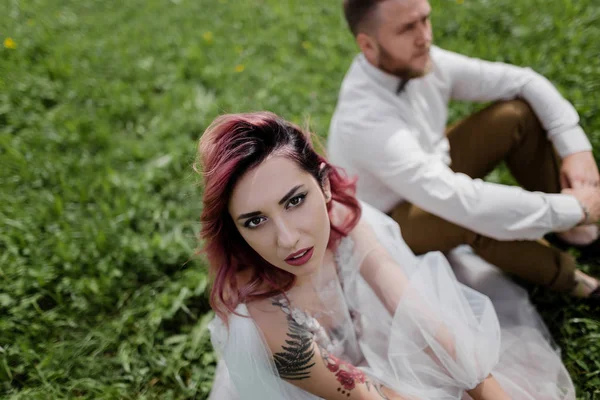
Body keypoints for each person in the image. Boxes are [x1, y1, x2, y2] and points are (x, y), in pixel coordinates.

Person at [196, 111, 575, 399]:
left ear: (325, 186)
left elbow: (411, 305)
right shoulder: (258, 311)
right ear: (235, 229)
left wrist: (487, 389)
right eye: (255, 220)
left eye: (295, 201)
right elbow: (361, 393)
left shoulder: (344, 220)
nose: (287, 238)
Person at [327, 0, 600, 299]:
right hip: (389, 222)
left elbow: (522, 80)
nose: (425, 37)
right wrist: (571, 209)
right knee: (468, 217)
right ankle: (573, 278)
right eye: (407, 28)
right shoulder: (365, 120)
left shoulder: (419, 58)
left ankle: (577, 230)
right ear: (368, 45)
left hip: (431, 172)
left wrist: (576, 149)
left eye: (425, 20)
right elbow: (460, 201)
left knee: (514, 116)